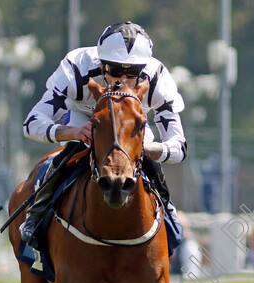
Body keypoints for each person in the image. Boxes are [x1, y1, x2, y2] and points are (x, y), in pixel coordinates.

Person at [19, 21, 187, 251]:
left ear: (143, 70)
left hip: (129, 121)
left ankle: (167, 210)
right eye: (115, 71)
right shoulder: (76, 67)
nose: (123, 81)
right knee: (72, 151)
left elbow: (179, 146)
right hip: (84, 118)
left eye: (133, 73)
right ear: (101, 64)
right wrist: (72, 131)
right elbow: (31, 123)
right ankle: (37, 212)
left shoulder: (156, 76)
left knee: (145, 158)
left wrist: (150, 149)